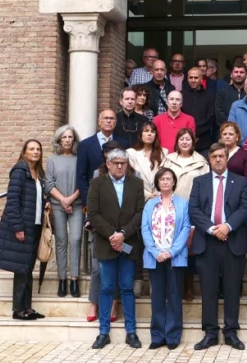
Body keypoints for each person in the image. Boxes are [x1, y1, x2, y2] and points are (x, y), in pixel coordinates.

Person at [188, 143, 247, 351]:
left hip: (232, 241)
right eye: (213, 156)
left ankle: (231, 332)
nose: (217, 160)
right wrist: (212, 229)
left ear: (227, 158)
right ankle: (210, 332)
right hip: (207, 242)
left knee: (232, 289)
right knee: (208, 289)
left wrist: (227, 226)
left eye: (221, 156)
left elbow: (245, 208)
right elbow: (194, 209)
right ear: (209, 158)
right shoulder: (199, 182)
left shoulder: (240, 182)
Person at [88, 147, 146, 349]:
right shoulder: (97, 183)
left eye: (123, 163)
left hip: (129, 243)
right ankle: (103, 332)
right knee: (105, 288)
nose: (120, 166)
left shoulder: (136, 184)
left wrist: (123, 234)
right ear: (109, 164)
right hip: (106, 243)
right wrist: (113, 235)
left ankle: (131, 332)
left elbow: (140, 212)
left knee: (128, 288)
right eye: (116, 163)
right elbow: (93, 214)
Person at [0, 139, 48, 321]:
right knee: (22, 269)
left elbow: (36, 197)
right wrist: (17, 227)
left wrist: (46, 204)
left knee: (28, 268)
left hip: (35, 225)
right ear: (24, 151)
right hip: (23, 227)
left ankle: (27, 307)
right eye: (32, 149)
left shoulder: (38, 173)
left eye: (38, 149)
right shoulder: (19, 171)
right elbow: (13, 201)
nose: (35, 152)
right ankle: (18, 310)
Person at [142, 167, 191, 350]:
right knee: (157, 297)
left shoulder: (183, 204)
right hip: (154, 257)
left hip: (174, 257)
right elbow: (145, 229)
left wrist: (171, 252)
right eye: (162, 179)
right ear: (157, 182)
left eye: (168, 178)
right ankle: (157, 335)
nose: (165, 182)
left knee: (174, 296)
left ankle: (172, 335)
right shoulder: (150, 204)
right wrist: (156, 252)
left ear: (173, 182)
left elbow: (186, 228)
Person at [161, 128, 210, 302]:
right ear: (177, 141)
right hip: (171, 208)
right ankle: (174, 286)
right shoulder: (168, 159)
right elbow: (161, 180)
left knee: (188, 249)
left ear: (193, 141)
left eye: (188, 139)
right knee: (171, 246)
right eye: (181, 139)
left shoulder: (201, 161)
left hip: (192, 208)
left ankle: (188, 286)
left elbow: (207, 186)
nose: (184, 142)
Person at [85, 141, 123, 324]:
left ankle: (114, 303)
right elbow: (93, 207)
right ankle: (94, 303)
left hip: (121, 232)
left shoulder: (130, 176)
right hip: (99, 230)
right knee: (96, 269)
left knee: (116, 268)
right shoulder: (97, 175)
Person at [45, 126, 83, 298]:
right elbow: (49, 184)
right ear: (59, 140)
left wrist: (70, 199)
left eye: (70, 137)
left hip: (76, 204)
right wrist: (62, 200)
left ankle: (74, 279)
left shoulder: (80, 158)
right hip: (58, 205)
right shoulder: (52, 159)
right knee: (61, 241)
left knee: (75, 240)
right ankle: (62, 280)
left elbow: (83, 182)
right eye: (64, 137)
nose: (67, 140)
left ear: (74, 140)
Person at [77, 110, 118, 210]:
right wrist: (87, 201)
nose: (108, 121)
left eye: (111, 118)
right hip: (94, 198)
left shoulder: (123, 143)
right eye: (105, 118)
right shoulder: (85, 145)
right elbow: (81, 176)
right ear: (99, 122)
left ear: (115, 122)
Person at [127, 121, 165, 201]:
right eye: (146, 131)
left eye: (152, 132)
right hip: (139, 198)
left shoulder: (164, 153)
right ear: (141, 134)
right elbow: (130, 178)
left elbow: (166, 176)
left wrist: (159, 193)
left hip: (160, 198)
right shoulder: (131, 153)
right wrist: (147, 195)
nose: (149, 134)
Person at [182, 67, 216, 152]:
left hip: (204, 142)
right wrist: (189, 134)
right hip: (184, 140)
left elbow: (211, 118)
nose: (193, 80)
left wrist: (195, 133)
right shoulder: (181, 95)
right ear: (187, 79)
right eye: (191, 77)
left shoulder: (210, 96)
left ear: (201, 79)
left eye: (196, 78)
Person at [220, 122, 247, 187]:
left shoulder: (246, 155)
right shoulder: (216, 154)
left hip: (238, 192)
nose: (227, 136)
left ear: (237, 137)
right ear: (221, 137)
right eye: (224, 134)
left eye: (231, 134)